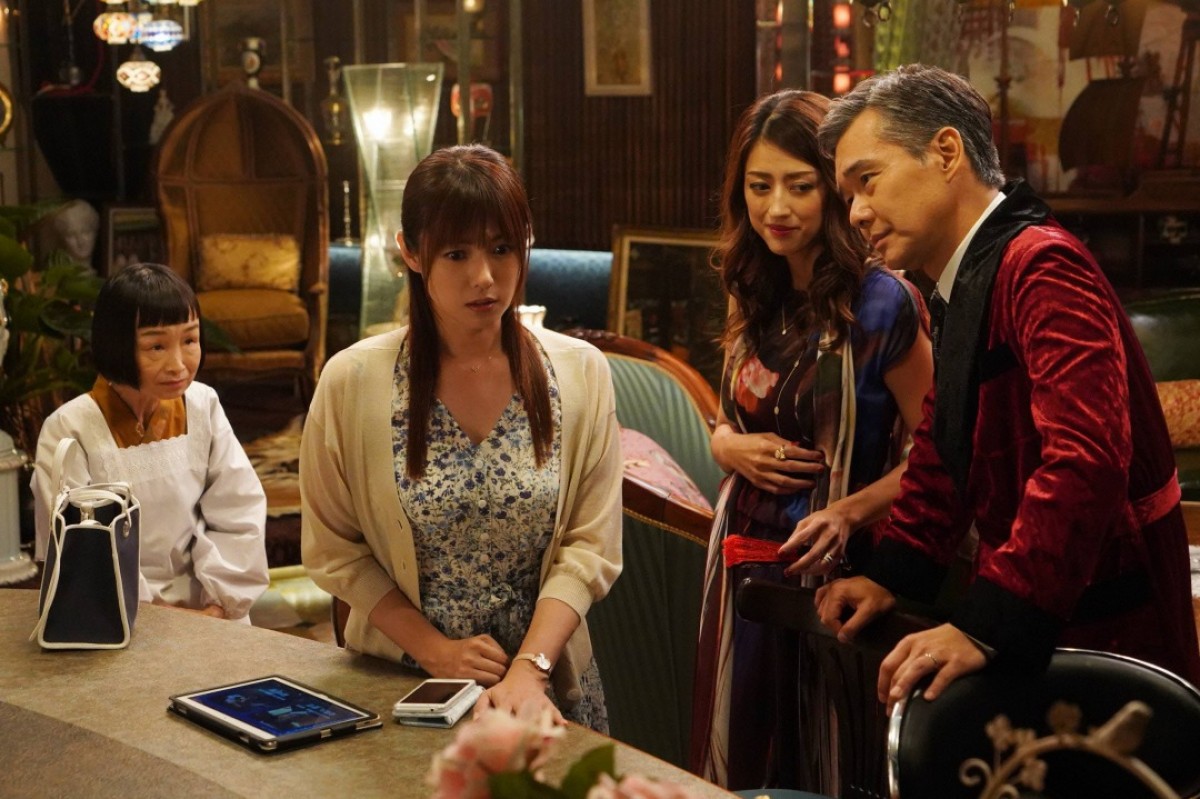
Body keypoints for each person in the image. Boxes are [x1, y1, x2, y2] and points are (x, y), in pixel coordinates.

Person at [814, 64, 1200, 711]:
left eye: (867, 180)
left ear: (946, 152)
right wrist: (893, 576)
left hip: (1106, 618)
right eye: (848, 194)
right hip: (1053, 607)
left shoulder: (1041, 264)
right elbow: (944, 440)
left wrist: (988, 622)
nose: (856, 213)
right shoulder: (970, 273)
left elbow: (1087, 459)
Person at [300, 144, 622, 730]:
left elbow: (590, 545)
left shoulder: (580, 373)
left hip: (545, 690)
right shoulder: (353, 380)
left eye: (502, 249)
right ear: (410, 251)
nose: (485, 277)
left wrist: (530, 667)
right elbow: (334, 549)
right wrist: (435, 650)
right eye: (456, 253)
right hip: (403, 686)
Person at [689, 89, 933, 789]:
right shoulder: (751, 283)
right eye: (759, 186)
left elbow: (940, 449)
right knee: (745, 745)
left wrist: (849, 510)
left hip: (840, 569)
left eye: (799, 186)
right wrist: (723, 446)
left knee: (826, 752)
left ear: (833, 189)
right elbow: (731, 416)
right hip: (741, 560)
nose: (778, 208)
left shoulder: (882, 301)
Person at [32, 263, 269, 621]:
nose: (179, 365)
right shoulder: (69, 428)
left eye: (189, 340)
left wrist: (218, 606)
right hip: (116, 616)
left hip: (210, 606)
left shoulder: (203, 405)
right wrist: (157, 615)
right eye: (156, 346)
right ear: (117, 345)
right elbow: (80, 550)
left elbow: (239, 511)